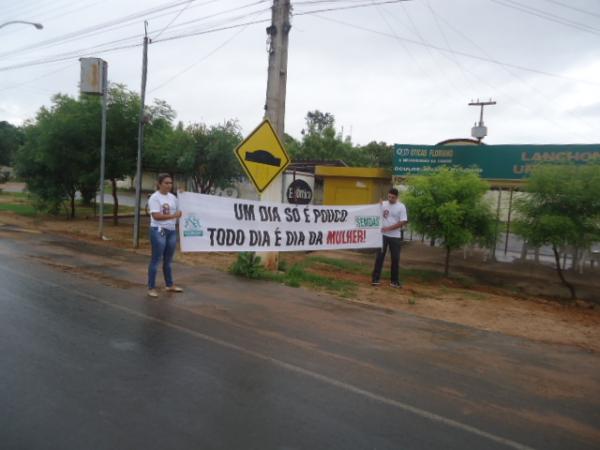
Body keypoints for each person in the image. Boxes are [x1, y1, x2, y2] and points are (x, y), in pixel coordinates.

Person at [147, 173, 183, 298]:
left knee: (168, 260)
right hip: (159, 230)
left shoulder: (173, 197)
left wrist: (184, 196)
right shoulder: (155, 198)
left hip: (171, 231)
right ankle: (151, 287)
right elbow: (156, 216)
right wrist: (173, 216)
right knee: (156, 260)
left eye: (170, 183)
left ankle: (169, 285)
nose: (169, 185)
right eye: (166, 183)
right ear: (159, 183)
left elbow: (181, 209)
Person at [371, 188, 408, 288]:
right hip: (383, 236)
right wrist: (378, 206)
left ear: (397, 197)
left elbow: (403, 222)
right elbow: (376, 214)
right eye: (389, 196)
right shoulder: (383, 204)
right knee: (379, 257)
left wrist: (389, 228)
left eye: (392, 197)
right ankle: (375, 279)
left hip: (395, 236)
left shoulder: (401, 206)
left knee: (395, 259)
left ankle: (394, 281)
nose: (390, 199)